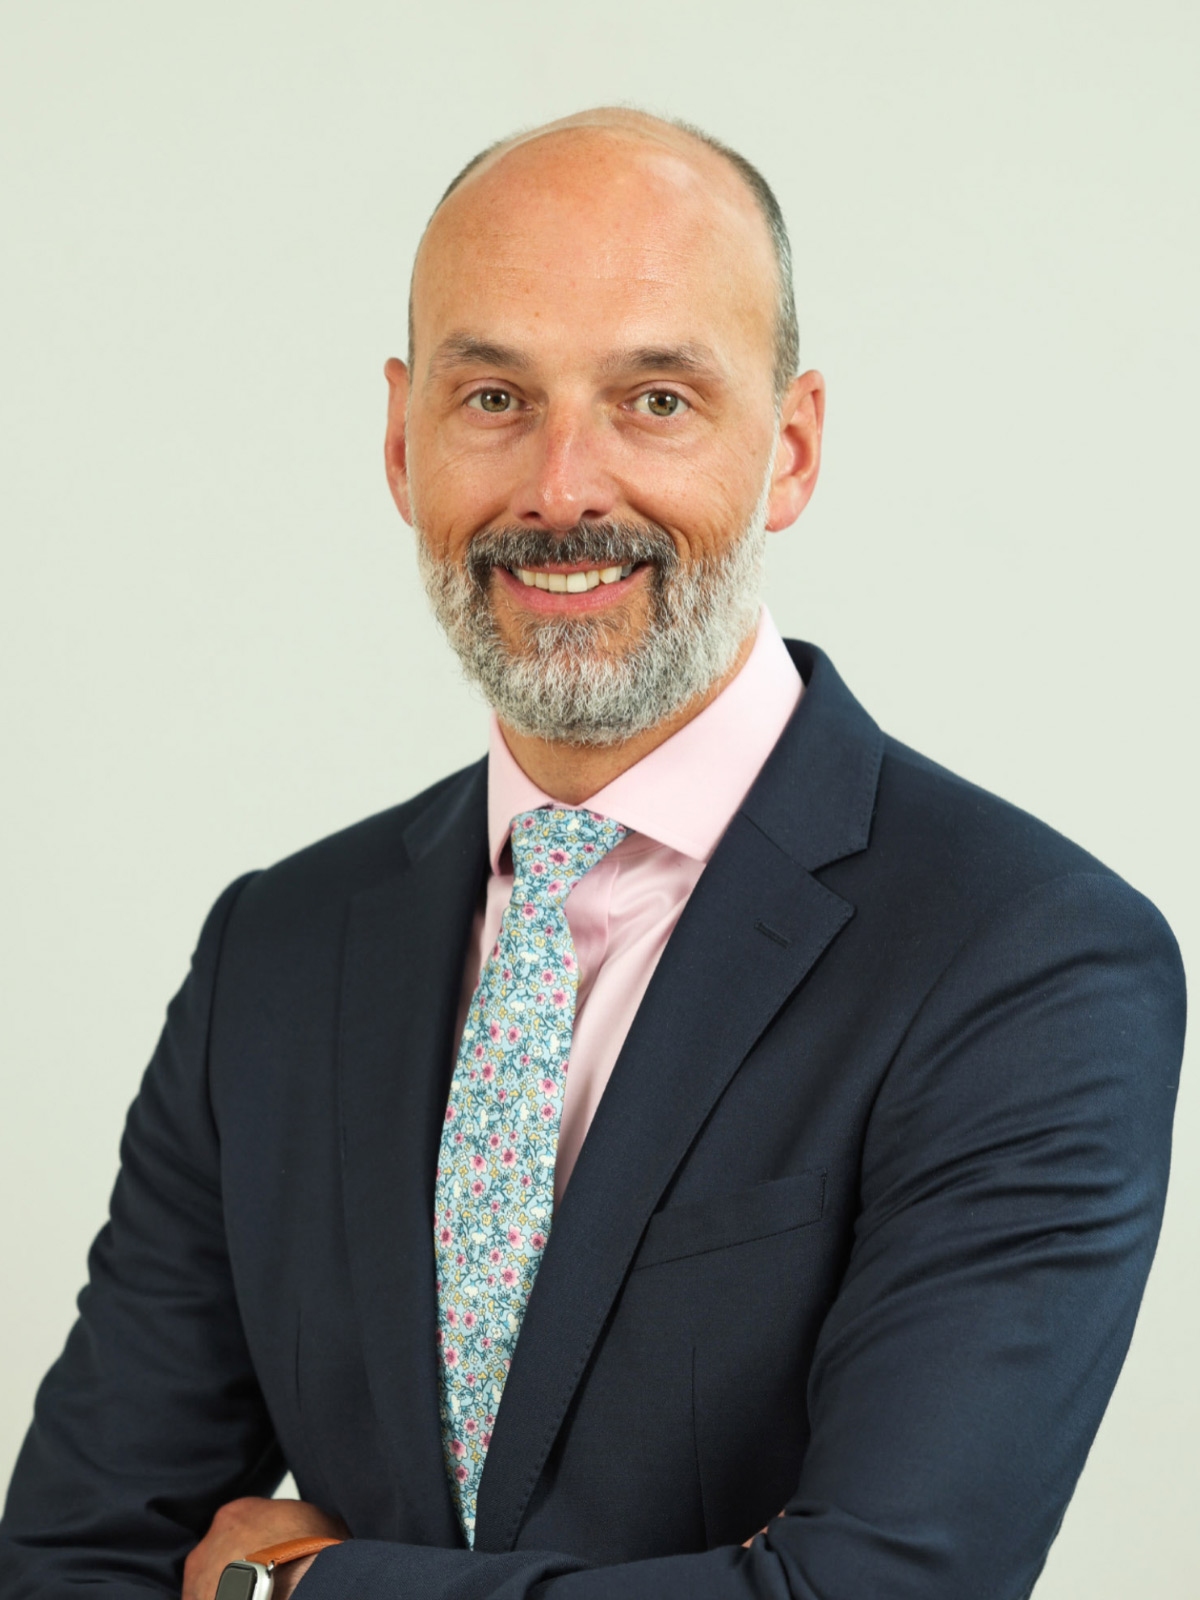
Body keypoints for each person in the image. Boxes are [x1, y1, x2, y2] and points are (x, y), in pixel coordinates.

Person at [0, 106, 1185, 1600]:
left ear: (792, 448)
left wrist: (297, 1589)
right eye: (494, 395)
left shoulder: (1027, 959)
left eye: (656, 401)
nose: (563, 487)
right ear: (399, 437)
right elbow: (73, 1558)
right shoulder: (278, 953)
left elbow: (887, 1591)